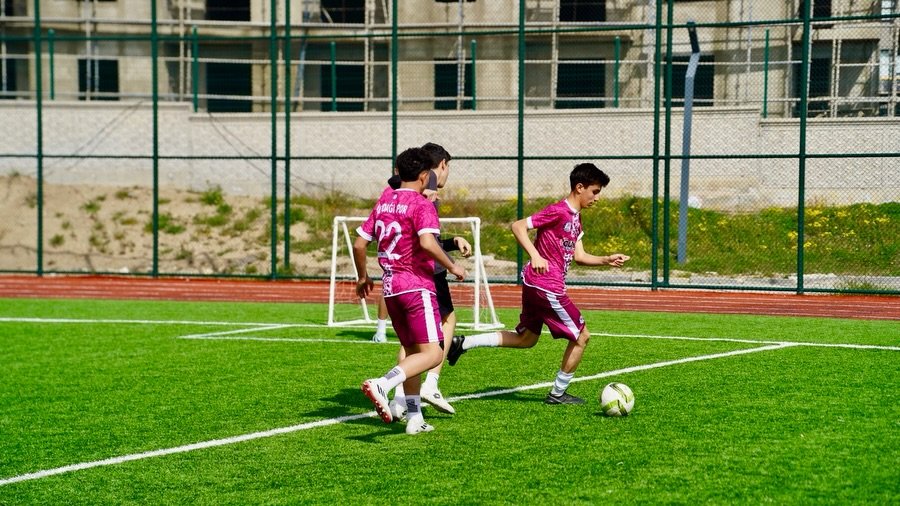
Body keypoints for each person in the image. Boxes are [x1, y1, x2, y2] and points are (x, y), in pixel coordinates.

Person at [446, 163, 629, 404]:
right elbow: (518, 226)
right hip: (546, 286)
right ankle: (557, 393)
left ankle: (464, 343)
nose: (597, 198)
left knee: (527, 339)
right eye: (595, 192)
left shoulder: (576, 219)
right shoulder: (559, 211)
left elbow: (580, 256)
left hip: (536, 285)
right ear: (579, 187)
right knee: (582, 336)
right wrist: (535, 254)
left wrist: (606, 259)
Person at [356, 146, 466, 435]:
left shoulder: (384, 201)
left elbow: (358, 243)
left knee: (413, 353)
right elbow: (429, 244)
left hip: (390, 288)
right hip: (416, 287)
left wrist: (362, 277)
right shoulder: (421, 204)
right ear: (423, 175)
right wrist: (453, 267)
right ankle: (383, 383)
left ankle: (415, 418)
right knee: (433, 353)